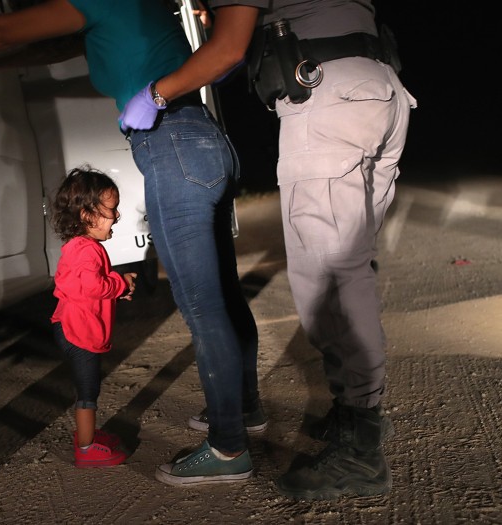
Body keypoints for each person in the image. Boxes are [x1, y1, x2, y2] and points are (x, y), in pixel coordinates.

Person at [0, 0, 264, 486]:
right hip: (205, 141)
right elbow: (30, 49)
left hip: (170, 146)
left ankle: (229, 446)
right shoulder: (134, 10)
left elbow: (3, 31)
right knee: (224, 298)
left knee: (203, 308)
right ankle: (243, 409)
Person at [122, 0, 417, 500]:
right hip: (380, 89)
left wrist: (155, 93)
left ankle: (361, 452)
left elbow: (229, 48)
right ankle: (357, 418)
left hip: (328, 100)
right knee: (352, 270)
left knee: (329, 284)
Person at [49, 167, 135, 468]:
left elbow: (85, 285)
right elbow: (91, 285)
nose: (117, 216)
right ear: (88, 216)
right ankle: (85, 448)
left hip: (70, 326)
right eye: (111, 210)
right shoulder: (87, 250)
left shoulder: (80, 247)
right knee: (88, 391)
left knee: (88, 388)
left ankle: (88, 435)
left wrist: (116, 286)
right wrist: (119, 284)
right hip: (79, 332)